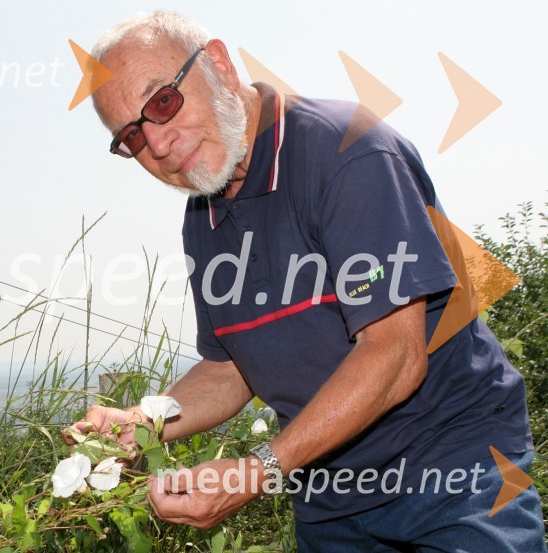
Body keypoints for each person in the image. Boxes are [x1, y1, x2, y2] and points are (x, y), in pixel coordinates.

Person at [64, 11, 546, 551]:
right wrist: (143, 420)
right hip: (327, 495)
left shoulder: (348, 152)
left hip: (455, 477)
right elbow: (230, 370)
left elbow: (394, 355)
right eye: (131, 135)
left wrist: (259, 469)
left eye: (162, 102)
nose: (158, 143)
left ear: (219, 64)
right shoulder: (204, 217)